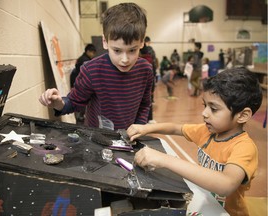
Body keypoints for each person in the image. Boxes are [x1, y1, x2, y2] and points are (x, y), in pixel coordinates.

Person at [127, 68, 263, 216]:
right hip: (204, 204)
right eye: (205, 106)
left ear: (242, 115)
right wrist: (145, 128)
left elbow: (226, 184)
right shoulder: (207, 131)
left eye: (214, 109)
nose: (204, 113)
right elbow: (175, 128)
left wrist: (164, 160)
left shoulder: (244, 147)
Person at [39, 3, 154, 130]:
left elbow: (145, 105)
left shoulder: (146, 70)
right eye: (117, 50)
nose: (125, 60)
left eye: (132, 50)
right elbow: (73, 102)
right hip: (96, 138)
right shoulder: (91, 70)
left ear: (142, 42)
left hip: (129, 138)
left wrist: (139, 126)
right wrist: (59, 103)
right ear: (105, 42)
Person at [70, 43, 96, 124]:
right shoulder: (85, 61)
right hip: (81, 85)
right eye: (92, 52)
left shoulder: (82, 58)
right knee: (81, 104)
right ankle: (80, 118)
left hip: (77, 83)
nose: (93, 55)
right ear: (88, 51)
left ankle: (80, 117)